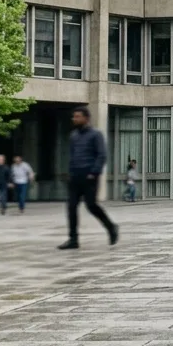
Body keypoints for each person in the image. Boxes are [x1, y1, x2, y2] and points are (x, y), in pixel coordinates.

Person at [59, 106, 118, 250]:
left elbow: (102, 155)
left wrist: (94, 173)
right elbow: (72, 156)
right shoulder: (73, 136)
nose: (74, 119)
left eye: (77, 116)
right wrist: (70, 173)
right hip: (75, 177)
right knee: (71, 207)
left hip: (90, 176)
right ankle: (73, 239)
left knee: (91, 206)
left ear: (86, 118)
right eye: (74, 117)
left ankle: (111, 227)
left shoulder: (96, 134)